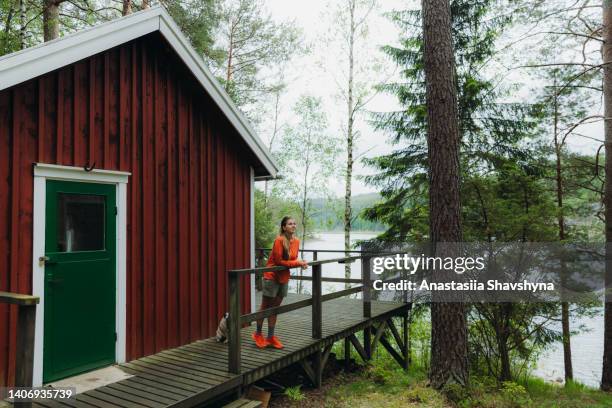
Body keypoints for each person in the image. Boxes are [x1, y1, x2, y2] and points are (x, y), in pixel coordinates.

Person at [252, 216, 308, 349]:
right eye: (290, 224)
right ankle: (258, 334)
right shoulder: (279, 240)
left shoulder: (296, 241)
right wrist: (298, 263)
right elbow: (278, 262)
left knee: (275, 308)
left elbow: (292, 258)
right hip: (272, 275)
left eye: (294, 223)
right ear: (284, 227)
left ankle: (271, 337)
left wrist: (301, 262)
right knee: (265, 306)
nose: (293, 226)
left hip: (284, 277)